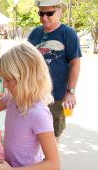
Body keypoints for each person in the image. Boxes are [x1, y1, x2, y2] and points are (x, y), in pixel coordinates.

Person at [28, 0, 82, 143]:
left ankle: (49, 165)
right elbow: (25, 62)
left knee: (51, 137)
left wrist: (70, 92)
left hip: (56, 96)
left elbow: (75, 63)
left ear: (59, 12)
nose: (44, 17)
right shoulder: (34, 33)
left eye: (49, 13)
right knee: (32, 135)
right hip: (33, 95)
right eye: (41, 13)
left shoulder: (68, 34)